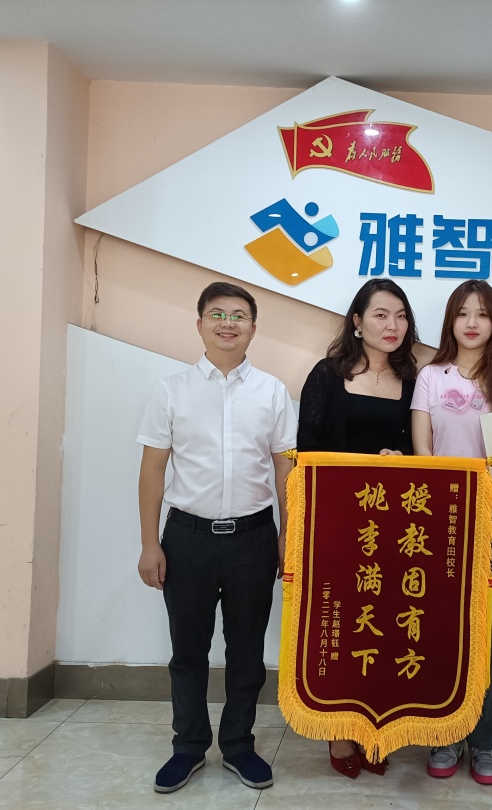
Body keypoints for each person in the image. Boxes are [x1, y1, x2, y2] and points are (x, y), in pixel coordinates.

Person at [136, 281, 297, 794]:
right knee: (188, 650)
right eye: (218, 314)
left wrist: (287, 538)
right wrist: (149, 543)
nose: (228, 323)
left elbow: (285, 470)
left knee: (247, 650)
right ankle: (187, 747)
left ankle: (239, 745)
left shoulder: (272, 392)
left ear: (253, 327)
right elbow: (152, 470)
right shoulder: (171, 390)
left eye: (239, 315)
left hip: (253, 537)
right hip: (187, 537)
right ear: (200, 323)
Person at [410, 280, 492, 786]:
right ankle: (443, 733)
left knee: (488, 630)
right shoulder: (430, 376)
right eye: (463, 313)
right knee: (439, 626)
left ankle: (485, 741)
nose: (473, 322)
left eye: (482, 313)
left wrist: (489, 495)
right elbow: (423, 452)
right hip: (439, 513)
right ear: (451, 321)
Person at [297, 277, 419, 777]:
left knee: (384, 626)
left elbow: (422, 449)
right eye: (381, 315)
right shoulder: (327, 375)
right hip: (338, 522)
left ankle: (375, 728)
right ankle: (339, 732)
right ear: (357, 321)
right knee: (341, 626)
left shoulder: (414, 379)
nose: (392, 325)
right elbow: (306, 451)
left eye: (401, 316)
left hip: (393, 528)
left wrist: (402, 458)